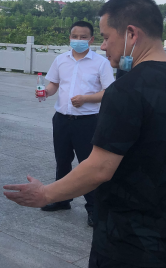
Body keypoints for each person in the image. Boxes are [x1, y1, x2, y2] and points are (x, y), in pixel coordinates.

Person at [4, 0, 166, 268]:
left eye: (105, 37)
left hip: (132, 240)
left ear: (131, 34)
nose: (103, 46)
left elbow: (100, 168)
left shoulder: (126, 90)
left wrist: (45, 194)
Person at [37, 20, 114, 227]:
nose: (78, 40)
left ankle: (94, 208)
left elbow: (109, 92)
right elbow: (54, 84)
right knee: (62, 161)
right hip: (62, 119)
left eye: (83, 37)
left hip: (87, 122)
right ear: (69, 37)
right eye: (74, 36)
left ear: (91, 39)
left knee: (88, 165)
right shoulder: (61, 60)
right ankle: (62, 200)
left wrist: (86, 99)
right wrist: (45, 92)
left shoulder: (101, 63)